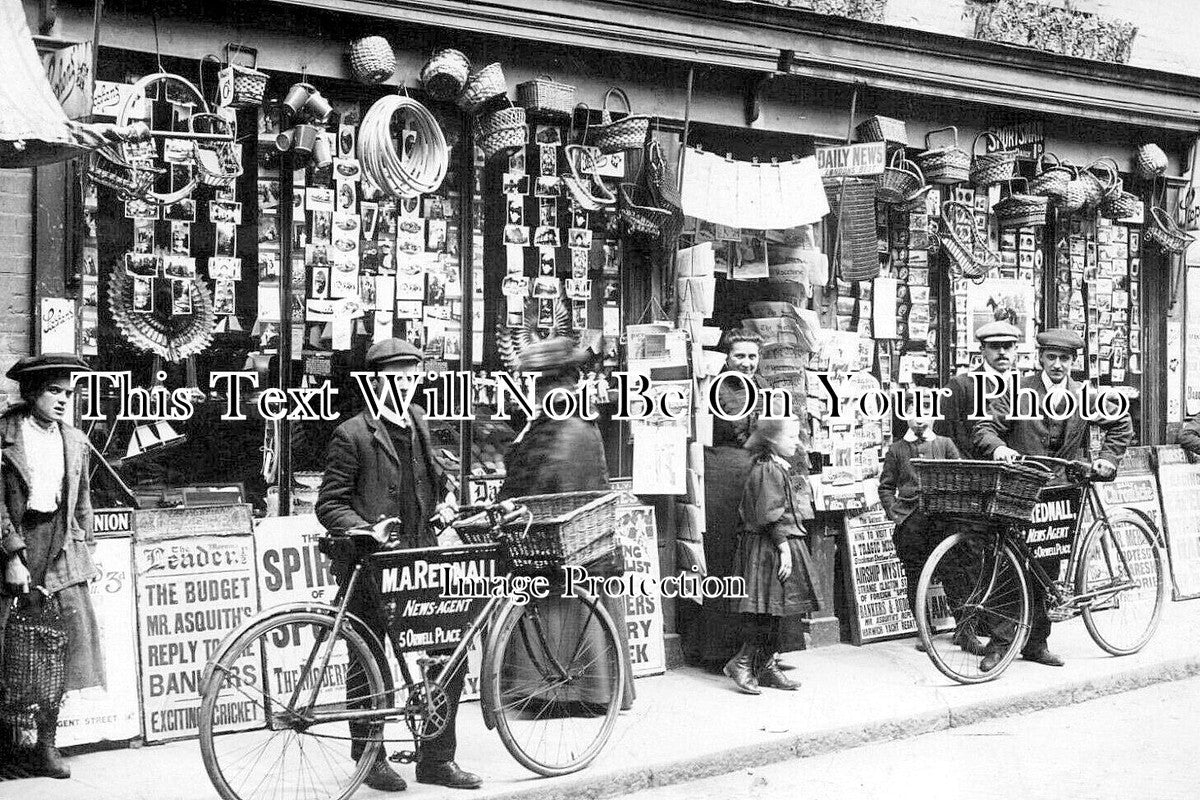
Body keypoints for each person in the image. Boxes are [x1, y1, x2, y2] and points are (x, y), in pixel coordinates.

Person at [316, 339, 480, 792]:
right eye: (395, 378)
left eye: (411, 377)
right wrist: (366, 529)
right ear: (374, 383)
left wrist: (445, 501)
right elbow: (329, 504)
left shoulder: (419, 421)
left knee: (449, 653)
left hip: (421, 559)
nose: (405, 385)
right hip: (372, 566)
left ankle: (436, 759)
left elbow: (436, 480)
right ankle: (370, 757)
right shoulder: (352, 435)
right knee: (369, 660)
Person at [974, 328, 1132, 671]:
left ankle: (1036, 643)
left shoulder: (1084, 395)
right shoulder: (1019, 391)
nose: (1057, 365)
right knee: (1009, 563)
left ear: (1073, 362)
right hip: (1021, 488)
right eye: (1051, 358)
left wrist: (1108, 458)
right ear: (1040, 359)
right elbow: (985, 426)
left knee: (1047, 565)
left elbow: (1121, 422)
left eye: (1064, 359)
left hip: (1062, 491)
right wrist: (999, 448)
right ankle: (1000, 645)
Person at [497, 337, 635, 711]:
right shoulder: (570, 419)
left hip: (562, 539)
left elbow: (545, 476)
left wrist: (513, 499)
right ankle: (588, 688)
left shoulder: (561, 424)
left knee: (565, 602)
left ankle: (566, 690)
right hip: (580, 539)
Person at [0, 353, 104, 779]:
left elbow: (81, 502)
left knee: (56, 647)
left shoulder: (74, 440)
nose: (63, 400)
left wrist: (85, 551)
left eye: (69, 393)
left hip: (57, 547)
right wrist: (11, 555)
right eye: (53, 391)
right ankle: (7, 748)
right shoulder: (5, 435)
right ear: (31, 393)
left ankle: (46, 745)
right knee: (8, 646)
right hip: (15, 539)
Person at [682, 329, 767, 668]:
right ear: (727, 358)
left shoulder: (759, 386)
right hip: (724, 481)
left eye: (752, 356)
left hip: (752, 478)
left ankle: (756, 650)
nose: (747, 363)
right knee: (725, 560)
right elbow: (739, 433)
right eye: (740, 356)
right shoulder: (721, 388)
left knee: (752, 563)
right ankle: (718, 650)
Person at [724, 417, 820, 694]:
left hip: (775, 544)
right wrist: (783, 547)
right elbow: (769, 514)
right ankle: (742, 663)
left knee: (776, 610)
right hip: (768, 547)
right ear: (772, 441)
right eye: (791, 437)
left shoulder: (776, 467)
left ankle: (765, 664)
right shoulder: (768, 469)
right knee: (765, 611)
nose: (797, 443)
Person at [878, 416, 970, 652]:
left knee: (954, 574)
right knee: (916, 576)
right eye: (913, 412)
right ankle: (924, 631)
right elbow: (886, 486)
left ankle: (965, 631)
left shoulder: (945, 444)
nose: (919, 420)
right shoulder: (897, 449)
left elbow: (961, 476)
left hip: (943, 521)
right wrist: (896, 513)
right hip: (912, 523)